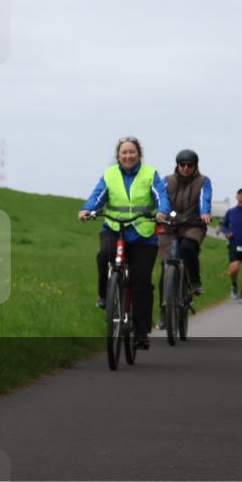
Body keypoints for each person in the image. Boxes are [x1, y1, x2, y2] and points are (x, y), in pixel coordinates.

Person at [79, 137, 170, 350]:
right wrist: (87, 209)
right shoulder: (110, 175)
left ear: (139, 154)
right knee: (104, 256)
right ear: (118, 156)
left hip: (143, 233)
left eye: (132, 152)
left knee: (141, 281)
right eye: (124, 152)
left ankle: (140, 332)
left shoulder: (150, 174)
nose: (128, 156)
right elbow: (97, 196)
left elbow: (161, 196)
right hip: (114, 227)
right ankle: (105, 295)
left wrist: (162, 212)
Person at [155, 149, 212, 329]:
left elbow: (205, 198)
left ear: (195, 166)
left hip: (193, 224)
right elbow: (161, 198)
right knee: (166, 266)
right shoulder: (168, 180)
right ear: (177, 165)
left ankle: (194, 281)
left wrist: (204, 213)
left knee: (187, 247)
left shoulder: (203, 181)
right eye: (182, 165)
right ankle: (163, 311)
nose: (186, 168)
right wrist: (160, 213)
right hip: (169, 225)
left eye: (190, 165)